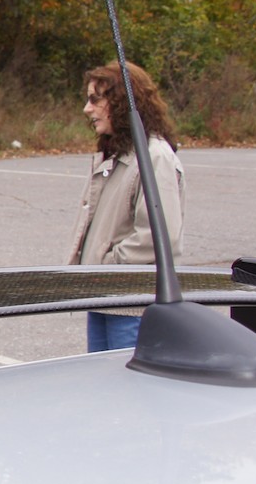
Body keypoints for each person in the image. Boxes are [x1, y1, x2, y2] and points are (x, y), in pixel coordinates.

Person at [66, 61, 185, 351]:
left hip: (132, 305)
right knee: (101, 377)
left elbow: (158, 236)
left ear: (121, 102)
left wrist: (106, 265)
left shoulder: (154, 157)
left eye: (95, 99)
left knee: (126, 379)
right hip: (104, 296)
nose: (87, 109)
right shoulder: (117, 154)